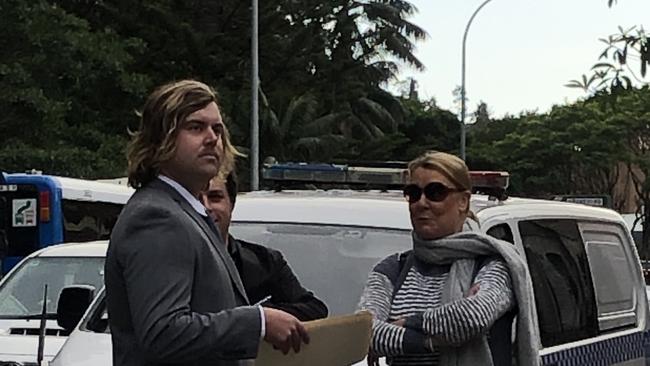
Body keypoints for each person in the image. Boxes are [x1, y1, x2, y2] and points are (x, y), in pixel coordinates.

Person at [105, 80, 309, 366]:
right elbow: (163, 333)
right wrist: (258, 322)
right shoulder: (157, 217)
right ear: (159, 140)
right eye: (195, 127)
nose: (213, 138)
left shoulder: (183, 211)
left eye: (217, 128)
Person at [358, 151, 539, 366]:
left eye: (435, 192)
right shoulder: (392, 269)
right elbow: (363, 331)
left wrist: (408, 323)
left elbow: (472, 316)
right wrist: (428, 341)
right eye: (413, 193)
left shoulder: (494, 264)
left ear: (463, 201)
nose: (421, 203)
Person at [201, 171, 328, 321]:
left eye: (215, 198)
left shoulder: (265, 261)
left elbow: (315, 310)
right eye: (196, 199)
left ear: (232, 204)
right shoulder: (171, 265)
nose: (205, 207)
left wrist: (264, 316)